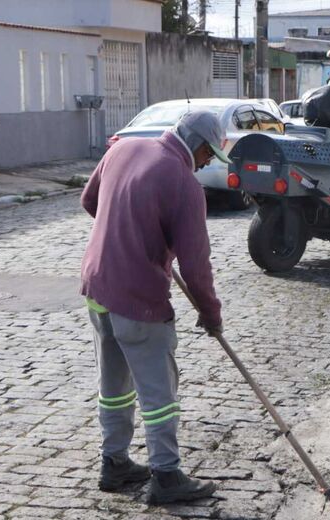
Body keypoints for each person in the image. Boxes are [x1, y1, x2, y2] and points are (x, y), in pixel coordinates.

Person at [80, 110, 227, 505]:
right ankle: (165, 475)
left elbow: (90, 200)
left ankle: (114, 463)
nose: (208, 162)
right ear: (196, 146)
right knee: (159, 391)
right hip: (138, 300)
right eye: (209, 154)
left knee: (113, 385)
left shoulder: (122, 148)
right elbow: (196, 267)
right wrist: (210, 315)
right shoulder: (183, 183)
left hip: (97, 287)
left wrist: (128, 228)